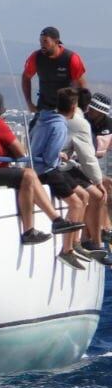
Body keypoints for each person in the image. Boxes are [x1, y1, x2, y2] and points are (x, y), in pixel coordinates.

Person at [0, 89, 77, 246]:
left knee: (28, 177)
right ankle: (33, 229)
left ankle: (56, 220)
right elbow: (20, 152)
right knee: (29, 174)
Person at [29, 87, 90, 268]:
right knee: (77, 203)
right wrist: (58, 156)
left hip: (42, 166)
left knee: (84, 196)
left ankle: (76, 242)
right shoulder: (60, 125)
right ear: (73, 107)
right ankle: (67, 250)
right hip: (47, 171)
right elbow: (49, 158)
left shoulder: (44, 119)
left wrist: (59, 155)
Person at [64, 91, 110, 261]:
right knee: (99, 193)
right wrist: (97, 180)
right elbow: (87, 157)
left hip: (76, 166)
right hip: (70, 168)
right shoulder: (81, 123)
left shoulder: (78, 120)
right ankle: (93, 241)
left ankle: (97, 235)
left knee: (102, 192)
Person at [21, 26, 87, 116]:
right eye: (40, 41)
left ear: (56, 41)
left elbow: (81, 86)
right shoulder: (36, 57)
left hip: (66, 110)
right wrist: (29, 103)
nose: (42, 45)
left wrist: (80, 110)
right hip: (44, 108)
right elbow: (26, 77)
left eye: (45, 41)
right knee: (34, 128)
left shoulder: (71, 58)